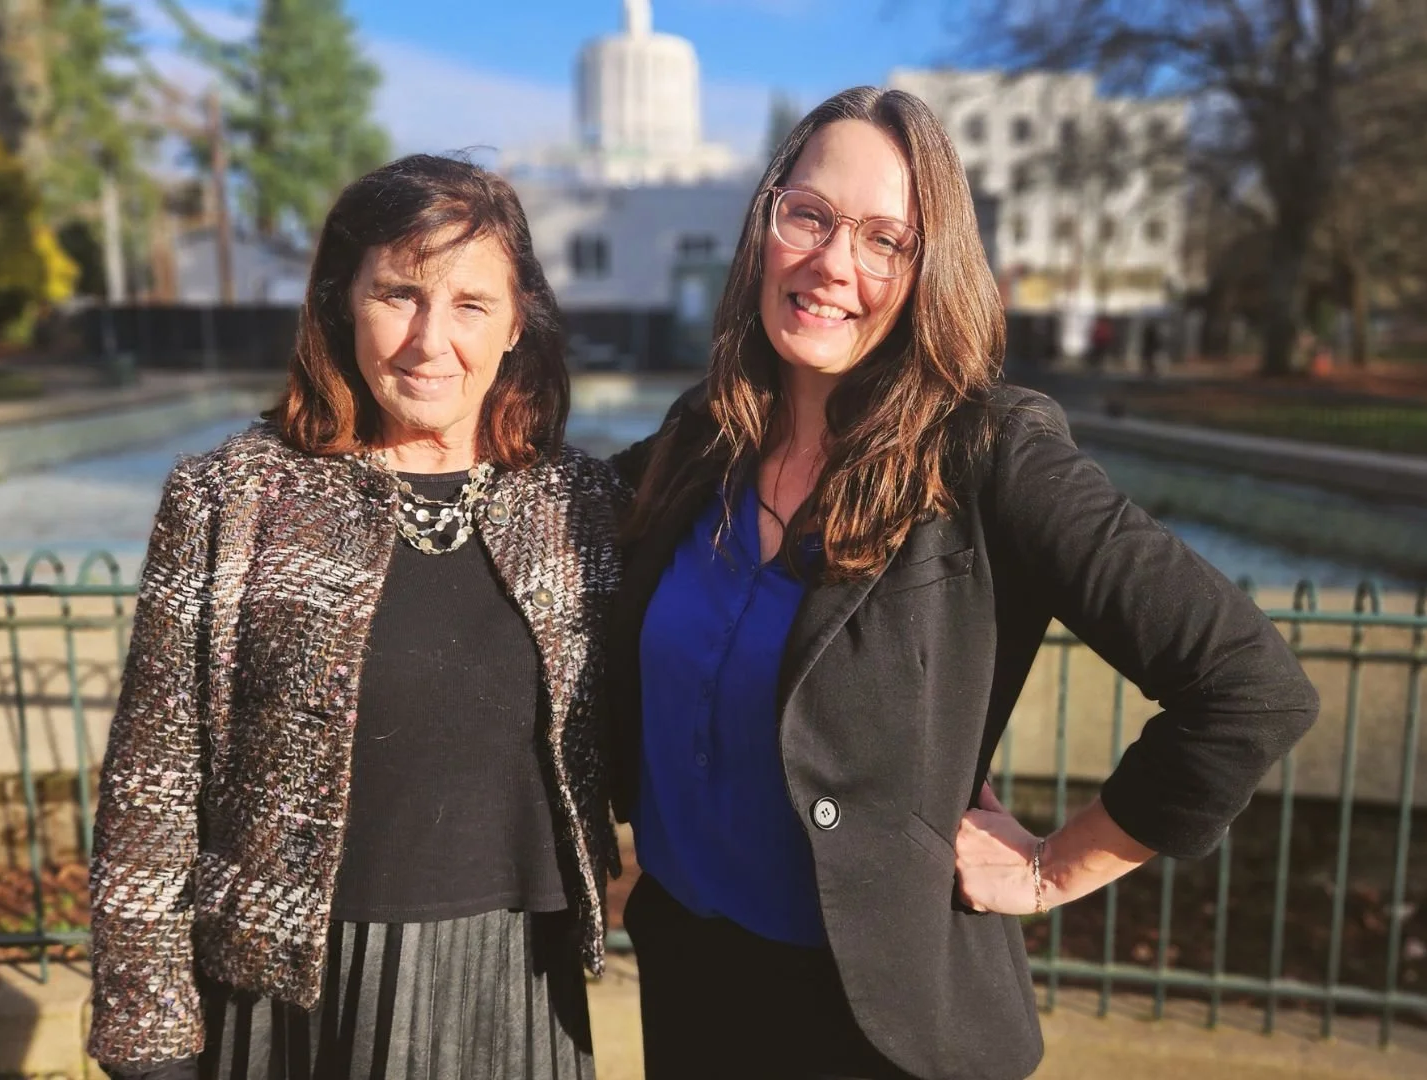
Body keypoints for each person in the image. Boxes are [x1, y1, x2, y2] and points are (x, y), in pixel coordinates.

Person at [609, 87, 1320, 1080]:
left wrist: (1051, 867)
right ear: (765, 224)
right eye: (806, 214)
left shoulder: (990, 454)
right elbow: (560, 537)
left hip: (877, 1025)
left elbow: (1248, 687)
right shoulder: (705, 434)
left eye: (883, 239)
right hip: (693, 979)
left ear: (927, 268)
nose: (831, 263)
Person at [87, 154, 623, 1080]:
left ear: (516, 324)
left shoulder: (580, 504)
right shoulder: (230, 498)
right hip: (295, 997)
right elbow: (153, 785)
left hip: (514, 989)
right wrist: (149, 1044)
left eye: (469, 304)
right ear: (341, 301)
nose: (429, 340)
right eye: (398, 294)